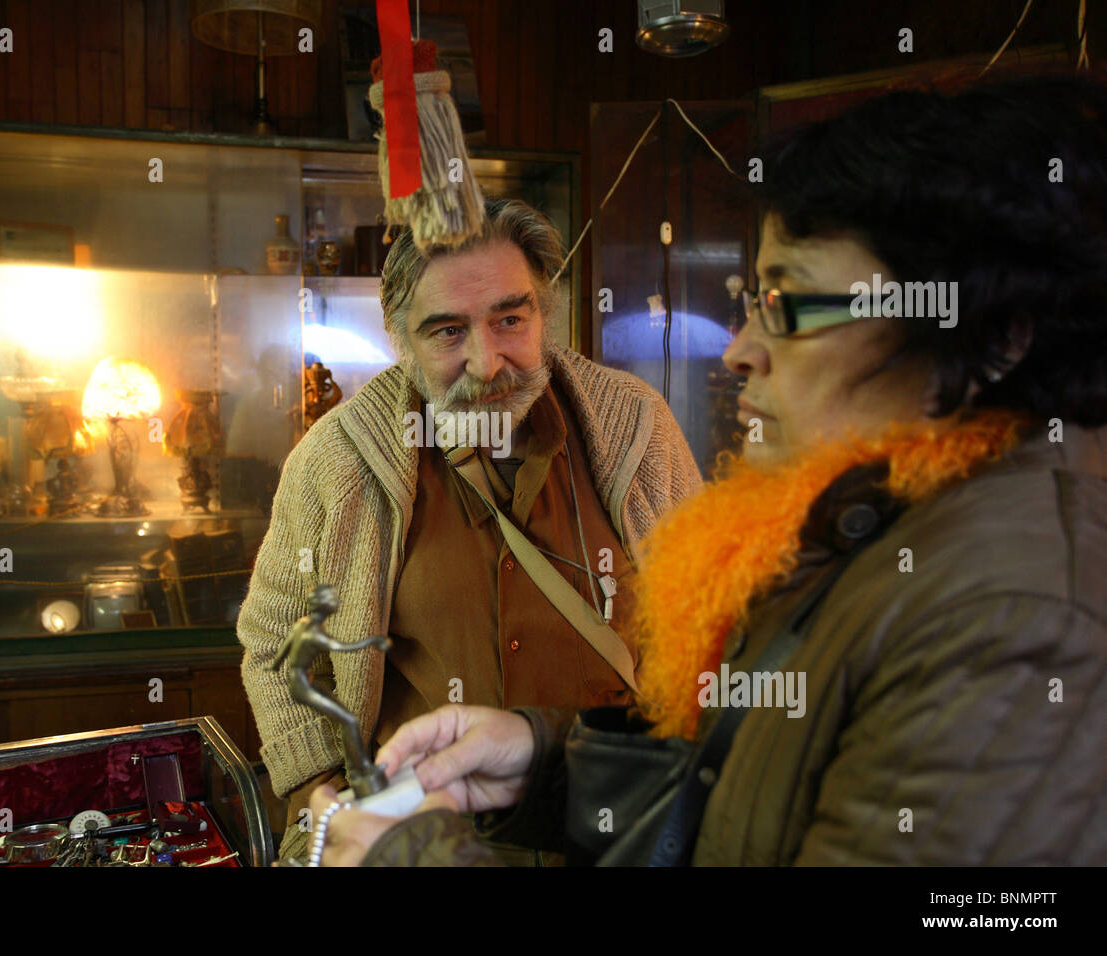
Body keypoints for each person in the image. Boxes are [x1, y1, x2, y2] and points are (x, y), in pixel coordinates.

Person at [304, 73, 1107, 866]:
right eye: (753, 301)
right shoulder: (875, 526)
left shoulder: (1013, 617)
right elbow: (747, 791)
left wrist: (415, 860)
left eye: (789, 309)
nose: (740, 351)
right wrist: (546, 763)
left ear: (995, 336)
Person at [237, 199, 702, 859]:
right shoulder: (340, 459)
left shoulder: (637, 430)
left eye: (510, 319)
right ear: (402, 340)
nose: (488, 362)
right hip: (418, 849)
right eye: (448, 332)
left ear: (545, 312)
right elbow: (276, 644)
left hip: (616, 837)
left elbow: (717, 623)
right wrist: (323, 800)